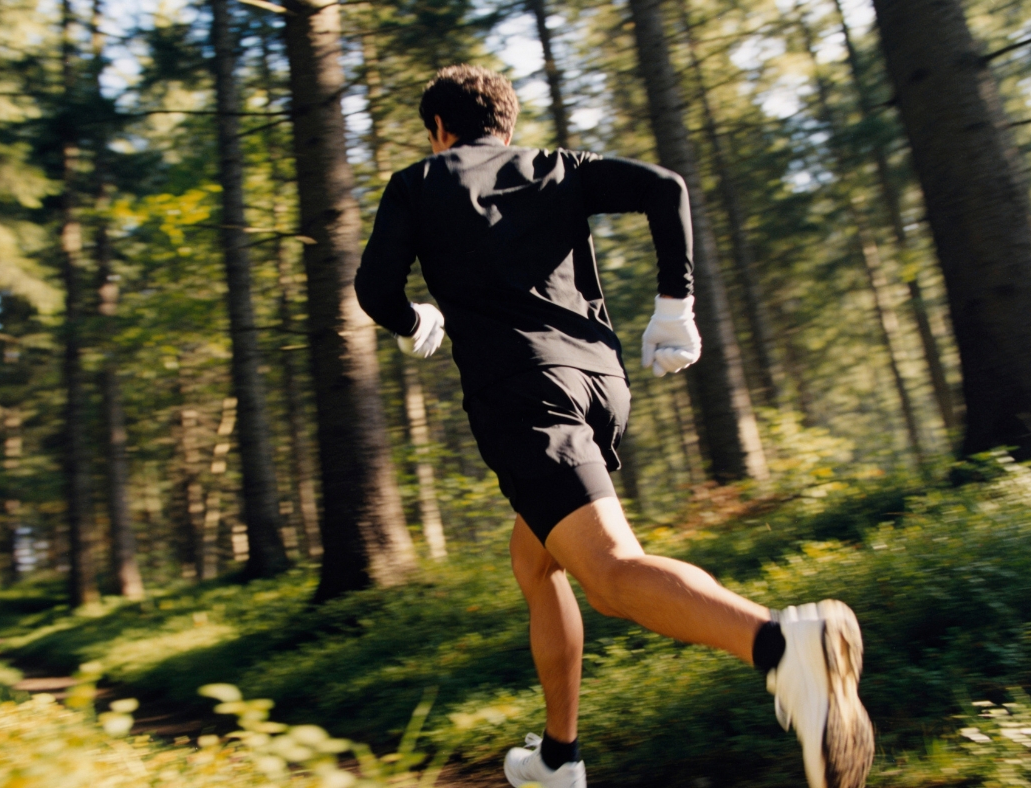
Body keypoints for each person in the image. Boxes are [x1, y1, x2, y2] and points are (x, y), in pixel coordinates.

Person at [354, 64, 873, 788]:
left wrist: (416, 322)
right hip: (601, 388)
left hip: (523, 396)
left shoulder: (421, 181)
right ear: (506, 125)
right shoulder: (555, 167)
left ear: (440, 130)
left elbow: (375, 289)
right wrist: (674, 305)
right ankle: (559, 758)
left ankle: (784, 644)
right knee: (536, 563)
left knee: (607, 575)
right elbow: (666, 188)